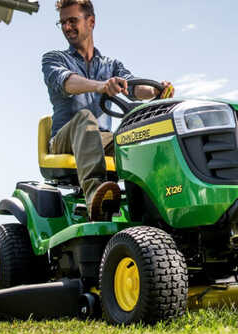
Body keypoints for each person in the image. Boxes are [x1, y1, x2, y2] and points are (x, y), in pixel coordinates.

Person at [42, 0, 174, 221]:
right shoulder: (54, 59)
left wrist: (156, 91)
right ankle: (94, 194)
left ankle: (156, 206)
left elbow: (132, 86)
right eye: (62, 22)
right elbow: (66, 83)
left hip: (101, 140)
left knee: (139, 136)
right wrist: (101, 85)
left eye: (72, 20)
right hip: (65, 138)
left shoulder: (110, 64)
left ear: (91, 22)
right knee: (86, 118)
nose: (66, 27)